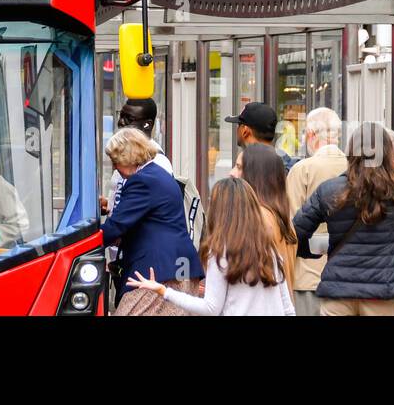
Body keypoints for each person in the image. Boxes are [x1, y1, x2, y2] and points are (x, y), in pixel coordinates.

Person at [293, 121, 394, 316]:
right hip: (383, 291)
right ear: (387, 153)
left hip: (339, 290)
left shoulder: (329, 190)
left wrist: (311, 252)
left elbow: (296, 231)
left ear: (351, 151)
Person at [127, 177, 294, 316]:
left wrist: (164, 291)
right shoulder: (268, 250)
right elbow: (288, 308)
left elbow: (211, 308)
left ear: (219, 211)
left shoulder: (221, 253)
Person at [100, 127, 203, 315]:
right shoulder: (157, 174)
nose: (115, 167)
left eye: (115, 161)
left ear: (127, 156)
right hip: (179, 266)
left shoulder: (142, 180)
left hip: (160, 270)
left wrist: (84, 241)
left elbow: (117, 226)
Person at [285, 106, 347, 315]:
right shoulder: (354, 167)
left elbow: (291, 229)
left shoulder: (302, 170)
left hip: (308, 276)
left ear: (311, 135)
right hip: (347, 276)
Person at [235, 143, 298, 291]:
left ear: (254, 175)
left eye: (238, 167)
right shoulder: (282, 219)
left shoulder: (260, 220)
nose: (232, 173)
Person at [225, 101, 297, 171]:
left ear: (245, 131)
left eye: (239, 125)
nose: (237, 129)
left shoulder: (250, 170)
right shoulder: (287, 167)